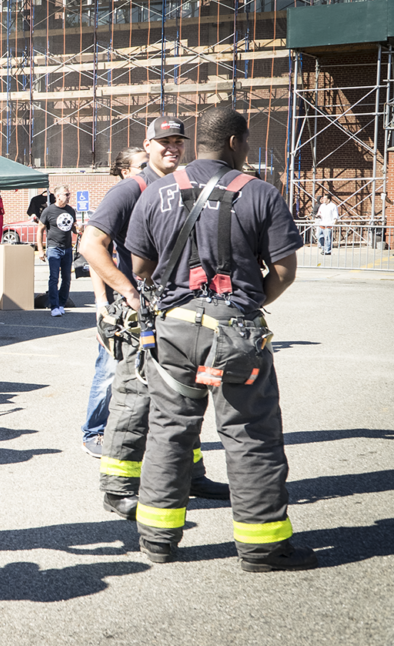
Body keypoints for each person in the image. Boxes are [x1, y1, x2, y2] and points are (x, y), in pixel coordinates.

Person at [125, 106, 317, 572]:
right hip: (234, 333)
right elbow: (285, 272)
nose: (247, 149)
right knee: (250, 436)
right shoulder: (261, 194)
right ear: (234, 142)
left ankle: (157, 541)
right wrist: (245, 304)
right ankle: (261, 548)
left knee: (169, 432)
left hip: (172, 331)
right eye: (247, 142)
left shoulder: (156, 193)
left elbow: (140, 270)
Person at [80, 116, 230, 519]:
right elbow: (90, 244)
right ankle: (118, 489)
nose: (172, 148)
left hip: (181, 314)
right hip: (143, 316)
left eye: (178, 141)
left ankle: (191, 474)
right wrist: (123, 290)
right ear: (147, 145)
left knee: (186, 399)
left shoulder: (184, 187)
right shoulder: (131, 189)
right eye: (163, 142)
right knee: (134, 403)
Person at [78, 146, 148, 458]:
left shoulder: (154, 197)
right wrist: (102, 303)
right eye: (142, 166)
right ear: (124, 171)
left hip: (150, 303)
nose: (149, 171)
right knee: (108, 369)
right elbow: (94, 255)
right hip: (122, 305)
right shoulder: (120, 199)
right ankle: (94, 431)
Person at [36, 184, 77, 316]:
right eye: (66, 194)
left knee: (67, 278)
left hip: (67, 248)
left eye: (69, 194)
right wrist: (40, 250)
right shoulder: (49, 211)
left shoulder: (70, 210)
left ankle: (61, 304)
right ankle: (54, 306)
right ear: (57, 196)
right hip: (54, 248)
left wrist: (79, 229)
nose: (68, 196)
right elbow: (40, 230)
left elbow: (73, 227)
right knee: (54, 277)